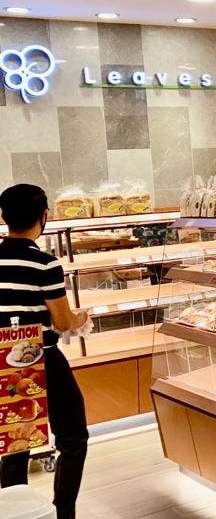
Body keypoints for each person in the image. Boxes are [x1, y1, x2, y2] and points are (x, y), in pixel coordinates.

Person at [0, 184, 89, 518]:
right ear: (44, 216)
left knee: (15, 438)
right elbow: (63, 322)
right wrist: (82, 317)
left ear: (4, 217)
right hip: (42, 356)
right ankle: (63, 512)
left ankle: (15, 511)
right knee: (73, 437)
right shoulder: (45, 264)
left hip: (3, 359)